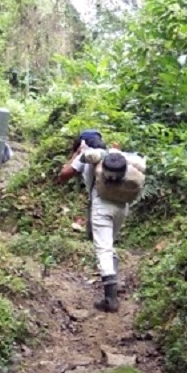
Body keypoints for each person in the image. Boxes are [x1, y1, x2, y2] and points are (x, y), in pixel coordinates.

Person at [58, 133, 129, 313]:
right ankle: (116, 282)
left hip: (102, 207)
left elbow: (63, 174)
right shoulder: (109, 155)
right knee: (109, 244)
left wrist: (76, 156)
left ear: (83, 143)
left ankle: (111, 299)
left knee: (103, 248)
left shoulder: (87, 155)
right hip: (122, 206)